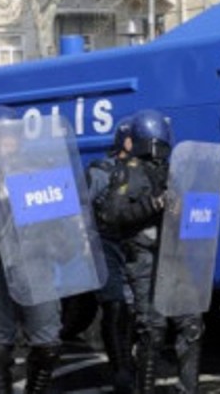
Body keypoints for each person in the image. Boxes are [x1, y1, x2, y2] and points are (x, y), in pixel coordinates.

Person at [93, 109, 203, 394]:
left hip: (173, 255)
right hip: (143, 255)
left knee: (191, 323)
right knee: (152, 330)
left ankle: (188, 387)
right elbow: (112, 214)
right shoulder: (126, 172)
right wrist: (152, 205)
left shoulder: (171, 171)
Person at [0, 106, 62, 394]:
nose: (8, 143)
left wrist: (60, 244)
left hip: (34, 263)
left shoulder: (38, 172)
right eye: (1, 137)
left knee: (48, 344)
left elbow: (60, 220)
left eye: (12, 136)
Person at [86, 116, 134, 394]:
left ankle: (127, 362)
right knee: (114, 306)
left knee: (130, 309)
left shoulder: (145, 170)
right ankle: (120, 369)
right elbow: (82, 206)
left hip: (132, 246)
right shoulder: (101, 171)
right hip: (104, 244)